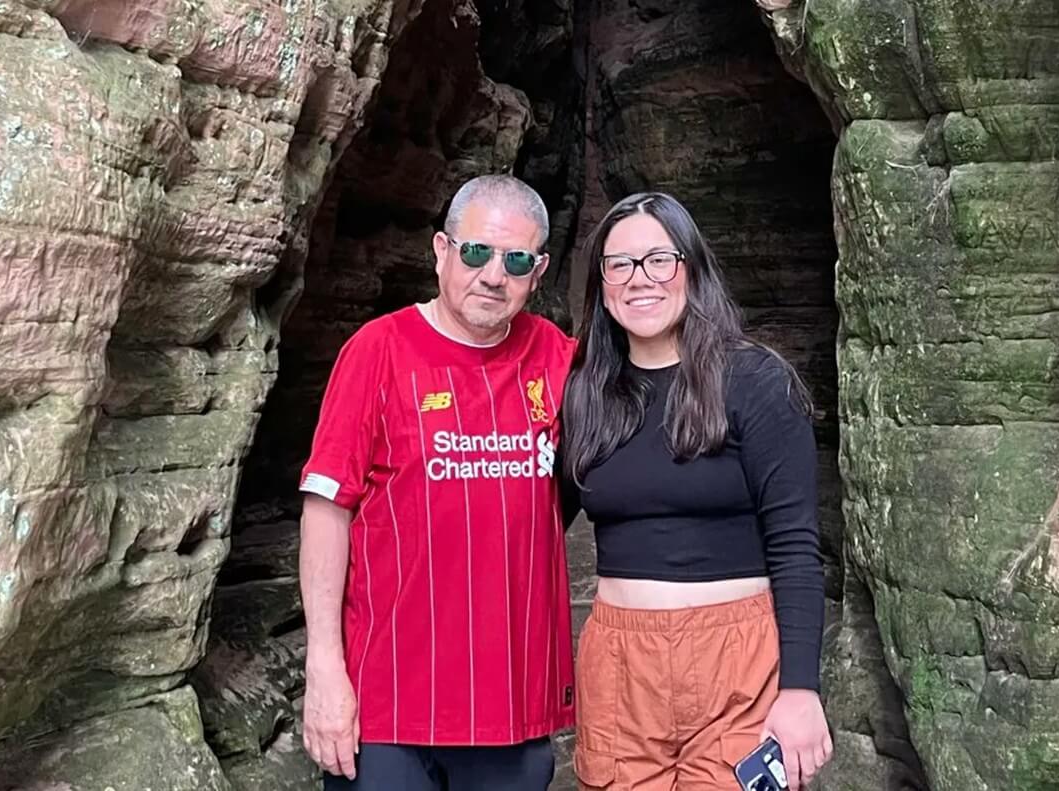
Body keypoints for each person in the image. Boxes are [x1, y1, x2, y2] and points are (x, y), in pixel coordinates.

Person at [297, 174, 577, 790]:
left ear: (540, 269)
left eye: (516, 259)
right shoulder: (377, 352)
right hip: (389, 702)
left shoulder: (557, 358)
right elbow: (326, 509)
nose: (493, 275)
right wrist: (323, 669)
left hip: (513, 707)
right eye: (476, 251)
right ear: (442, 251)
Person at [561, 192, 832, 790]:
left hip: (737, 662)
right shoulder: (584, 393)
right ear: (602, 284)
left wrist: (800, 689)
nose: (640, 280)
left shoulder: (756, 382)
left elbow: (794, 548)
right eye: (620, 265)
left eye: (659, 259)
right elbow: (530, 521)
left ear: (691, 267)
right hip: (619, 666)